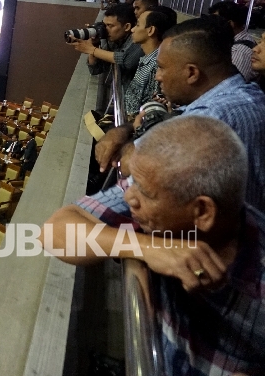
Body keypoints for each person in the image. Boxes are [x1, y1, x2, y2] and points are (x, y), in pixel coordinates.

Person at [43, 116, 265, 376]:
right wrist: (144, 247)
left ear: (202, 212)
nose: (128, 197)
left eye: (145, 194)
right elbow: (55, 231)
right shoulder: (153, 185)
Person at [95, 16, 265, 210]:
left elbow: (129, 165)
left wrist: (126, 145)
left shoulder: (212, 117)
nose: (158, 76)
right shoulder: (244, 93)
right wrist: (124, 129)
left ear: (192, 73)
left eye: (162, 67)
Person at [69, 3, 143, 86]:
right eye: (104, 25)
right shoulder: (114, 41)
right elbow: (95, 70)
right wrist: (95, 45)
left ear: (127, 27)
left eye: (110, 26)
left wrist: (91, 49)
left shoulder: (137, 40)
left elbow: (127, 60)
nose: (105, 29)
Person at [123, 6, 177, 118]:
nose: (132, 29)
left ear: (150, 30)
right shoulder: (147, 58)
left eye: (137, 25)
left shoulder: (156, 65)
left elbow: (152, 108)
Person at [208, 0, 257, 82]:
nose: (212, 25)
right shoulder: (231, 41)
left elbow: (229, 85)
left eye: (215, 21)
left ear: (230, 24)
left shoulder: (240, 52)